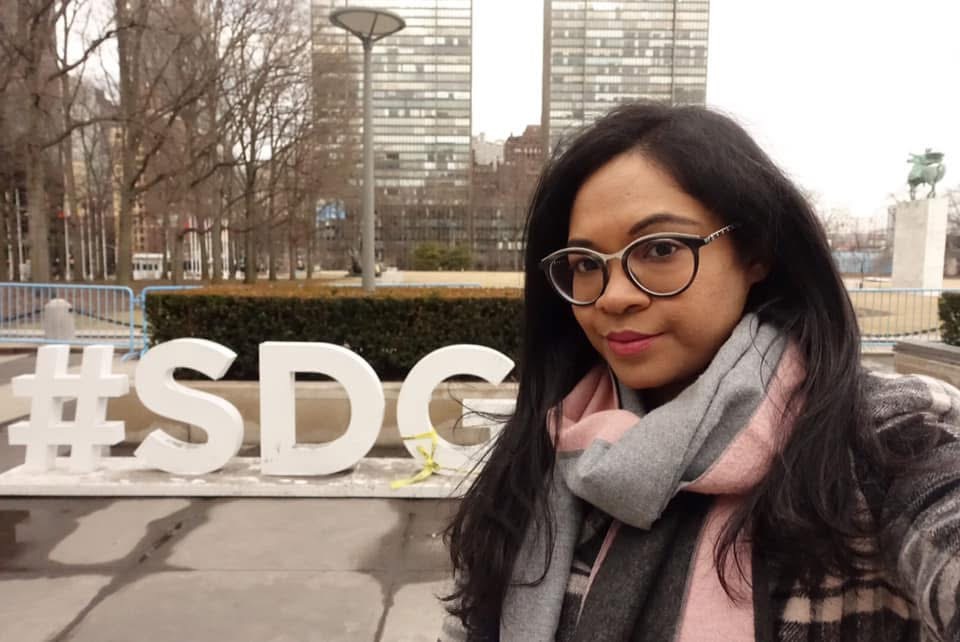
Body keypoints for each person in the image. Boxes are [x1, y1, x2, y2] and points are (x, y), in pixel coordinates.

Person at [440, 102, 960, 641]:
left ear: (755, 252)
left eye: (660, 249)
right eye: (587, 264)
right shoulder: (546, 446)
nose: (613, 297)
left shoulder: (881, 438)